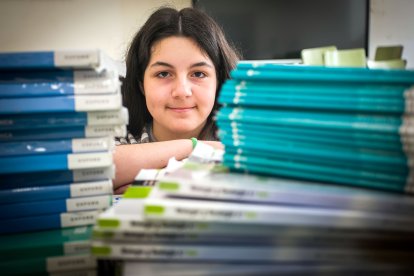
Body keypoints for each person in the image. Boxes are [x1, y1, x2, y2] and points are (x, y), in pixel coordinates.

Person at [113, 6, 241, 193]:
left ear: (218, 82)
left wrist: (152, 181)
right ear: (142, 83)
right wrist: (194, 146)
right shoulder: (120, 134)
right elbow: (98, 169)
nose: (182, 91)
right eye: (164, 73)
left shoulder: (242, 137)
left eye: (198, 73)